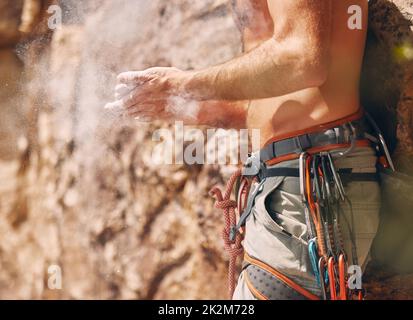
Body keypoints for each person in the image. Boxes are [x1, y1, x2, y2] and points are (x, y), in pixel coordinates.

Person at [106, 0, 382, 300]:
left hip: (310, 185)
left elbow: (302, 59)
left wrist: (186, 84)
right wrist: (178, 102)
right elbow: (272, 99)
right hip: (299, 183)